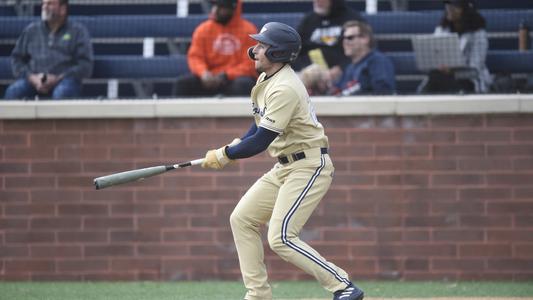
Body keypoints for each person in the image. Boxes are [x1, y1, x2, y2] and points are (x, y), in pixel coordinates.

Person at [200, 22, 364, 300]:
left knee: (281, 237)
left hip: (309, 165)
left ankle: (343, 286)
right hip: (285, 166)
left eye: (263, 46)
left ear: (276, 53)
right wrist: (234, 145)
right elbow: (257, 128)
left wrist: (226, 155)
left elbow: (262, 140)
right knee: (242, 219)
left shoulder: (284, 87)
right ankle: (258, 295)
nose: (256, 49)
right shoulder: (268, 80)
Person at [4, 0, 93, 100]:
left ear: (63, 9)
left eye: (49, 3)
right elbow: (16, 59)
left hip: (65, 80)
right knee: (14, 91)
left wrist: (58, 78)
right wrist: (32, 78)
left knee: (62, 93)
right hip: (34, 80)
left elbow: (85, 65)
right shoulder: (31, 30)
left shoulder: (78, 31)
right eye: (44, 3)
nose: (44, 7)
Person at [175, 0, 257, 97]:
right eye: (214, 6)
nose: (215, 10)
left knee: (244, 84)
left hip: (233, 80)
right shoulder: (203, 29)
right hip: (208, 79)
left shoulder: (248, 30)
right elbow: (195, 57)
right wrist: (203, 73)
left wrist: (226, 75)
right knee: (183, 83)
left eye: (221, 7)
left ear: (233, 9)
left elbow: (250, 64)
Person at [420, 0, 491, 93]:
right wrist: (437, 65)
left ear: (466, 10)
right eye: (448, 5)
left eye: (455, 6)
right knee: (435, 77)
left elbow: (475, 68)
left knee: (439, 80)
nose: (450, 8)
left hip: (468, 80)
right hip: (442, 76)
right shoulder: (442, 29)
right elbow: (434, 56)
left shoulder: (478, 33)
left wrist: (453, 71)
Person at [294, 0, 364, 95]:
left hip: (344, 75)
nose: (317, 2)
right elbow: (295, 51)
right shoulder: (308, 20)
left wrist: (341, 68)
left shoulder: (352, 19)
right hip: (311, 76)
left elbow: (363, 50)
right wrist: (309, 70)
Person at [333, 20, 396, 95]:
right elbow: (337, 92)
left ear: (365, 39)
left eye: (350, 38)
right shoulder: (349, 68)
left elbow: (384, 94)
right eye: (343, 38)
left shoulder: (378, 61)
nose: (345, 42)